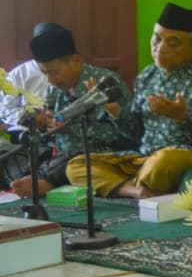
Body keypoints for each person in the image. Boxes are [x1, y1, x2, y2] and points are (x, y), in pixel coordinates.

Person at [66, 3, 192, 198]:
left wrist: (184, 118)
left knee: (164, 160)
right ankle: (139, 192)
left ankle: (141, 185)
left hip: (187, 159)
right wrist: (115, 111)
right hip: (144, 158)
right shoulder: (147, 76)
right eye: (157, 39)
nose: (160, 48)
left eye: (173, 43)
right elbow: (134, 133)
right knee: (77, 166)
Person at [7, 27, 133, 198]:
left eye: (54, 72)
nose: (50, 80)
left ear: (74, 60)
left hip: (102, 156)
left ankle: (47, 182)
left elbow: (127, 135)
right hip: (63, 156)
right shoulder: (55, 89)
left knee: (74, 165)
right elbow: (57, 135)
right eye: (44, 73)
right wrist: (46, 125)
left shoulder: (105, 84)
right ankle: (44, 180)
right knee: (17, 160)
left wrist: (73, 131)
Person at [1, 22, 65, 128]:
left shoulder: (71, 70)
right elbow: (4, 109)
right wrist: (30, 118)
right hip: (33, 133)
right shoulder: (21, 73)